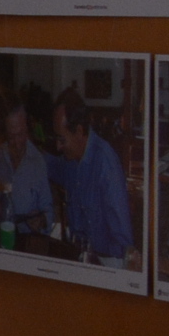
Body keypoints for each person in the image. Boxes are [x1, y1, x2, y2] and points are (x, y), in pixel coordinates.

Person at [47, 87, 135, 265]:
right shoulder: (71, 160)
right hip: (79, 252)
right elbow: (52, 166)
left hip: (106, 260)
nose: (58, 147)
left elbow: (122, 244)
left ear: (79, 132)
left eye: (62, 139)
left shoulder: (106, 165)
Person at [0, 95, 54, 231]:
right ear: (5, 133)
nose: (17, 143)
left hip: (26, 242)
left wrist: (41, 221)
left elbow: (49, 211)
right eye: (12, 137)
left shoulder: (37, 162)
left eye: (21, 134)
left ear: (27, 130)